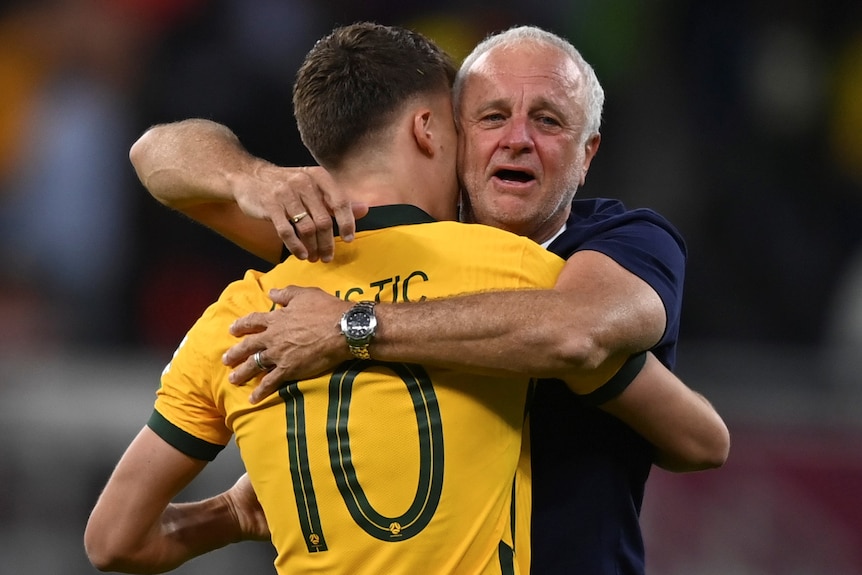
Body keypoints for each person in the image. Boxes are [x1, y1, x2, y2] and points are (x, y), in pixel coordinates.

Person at [129, 25, 730, 574]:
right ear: (451, 133)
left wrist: (352, 328)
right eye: (493, 116)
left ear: (587, 152)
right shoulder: (372, 238)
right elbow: (154, 153)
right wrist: (254, 178)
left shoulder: (620, 244)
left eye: (547, 121)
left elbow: (576, 334)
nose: (517, 139)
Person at [86, 22, 575, 574]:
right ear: (428, 129)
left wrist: (232, 513)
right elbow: (682, 430)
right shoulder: (514, 270)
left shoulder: (243, 314)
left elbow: (113, 540)